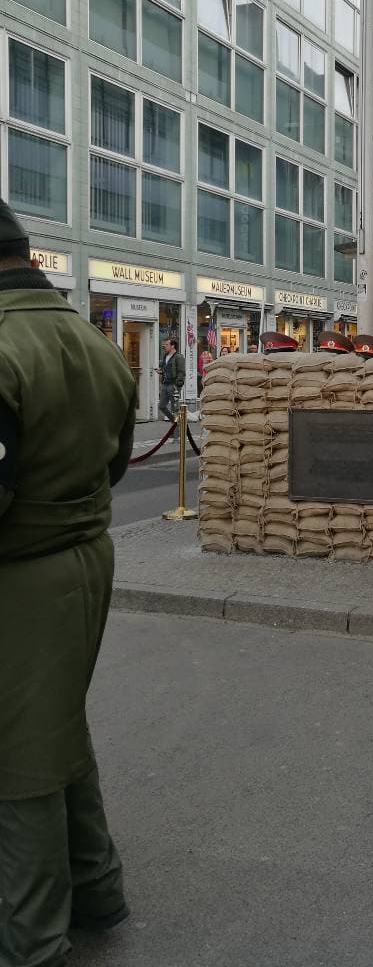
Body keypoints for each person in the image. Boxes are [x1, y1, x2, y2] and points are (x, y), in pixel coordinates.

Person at [0, 201, 137, 965]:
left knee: (16, 760)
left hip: (19, 575)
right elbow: (115, 462)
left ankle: (33, 941)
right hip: (86, 557)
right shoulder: (94, 342)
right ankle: (97, 888)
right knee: (56, 731)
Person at [158, 337, 185, 421]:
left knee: (175, 409)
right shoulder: (166, 356)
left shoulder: (178, 357)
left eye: (167, 344)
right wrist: (161, 371)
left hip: (173, 385)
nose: (164, 346)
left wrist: (176, 385)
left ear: (172, 346)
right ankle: (174, 421)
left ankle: (176, 432)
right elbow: (165, 369)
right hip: (165, 384)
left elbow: (181, 372)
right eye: (164, 344)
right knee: (161, 406)